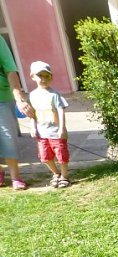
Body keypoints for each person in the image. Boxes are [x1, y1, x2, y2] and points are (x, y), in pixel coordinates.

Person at [28, 61, 71, 188]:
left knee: (61, 155)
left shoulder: (54, 94)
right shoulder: (32, 95)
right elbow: (32, 113)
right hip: (42, 133)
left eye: (47, 76)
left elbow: (61, 110)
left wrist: (62, 128)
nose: (43, 79)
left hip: (56, 132)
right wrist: (32, 126)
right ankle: (56, 173)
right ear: (32, 77)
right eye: (40, 75)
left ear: (51, 77)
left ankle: (64, 176)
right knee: (45, 156)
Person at [0, 38, 34, 190]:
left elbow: (10, 70)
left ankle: (15, 177)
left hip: (2, 98)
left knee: (8, 137)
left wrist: (19, 98)